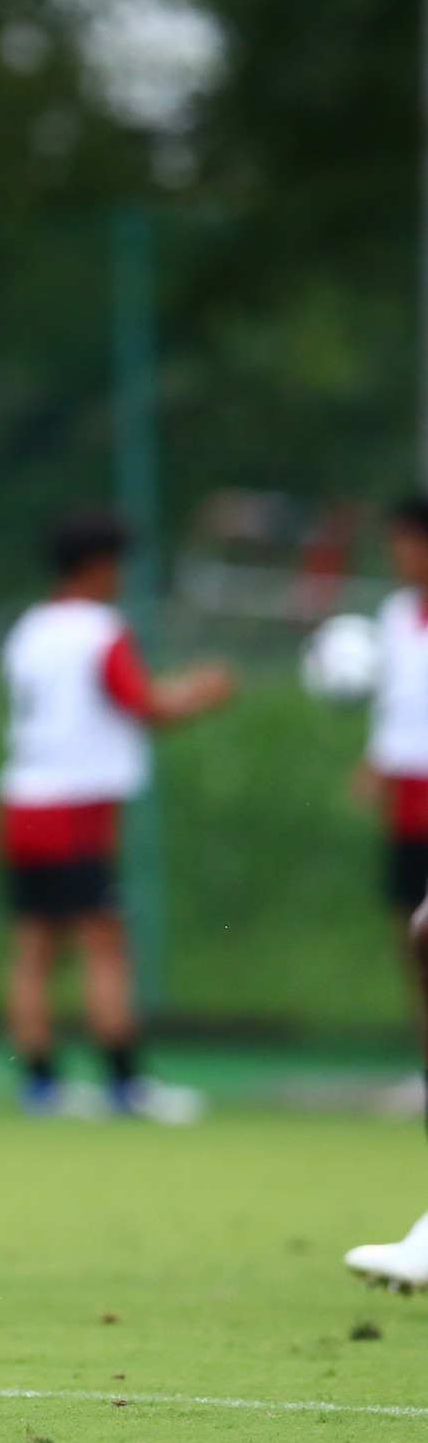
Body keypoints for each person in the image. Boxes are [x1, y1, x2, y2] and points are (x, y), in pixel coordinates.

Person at [0, 508, 230, 1123]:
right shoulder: (100, 629)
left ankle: (40, 1088)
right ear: (99, 566)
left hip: (21, 801)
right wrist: (200, 693)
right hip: (76, 810)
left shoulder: (30, 627)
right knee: (103, 946)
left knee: (34, 949)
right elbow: (141, 703)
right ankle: (125, 1087)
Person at [345, 499, 428, 1287]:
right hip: (408, 793)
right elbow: (395, 705)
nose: (401, 555)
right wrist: (373, 762)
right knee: (414, 935)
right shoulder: (395, 614)